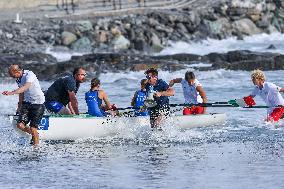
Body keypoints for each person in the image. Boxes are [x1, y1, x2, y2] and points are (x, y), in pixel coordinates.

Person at [2, 65, 45, 146]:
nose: (11, 77)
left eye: (12, 75)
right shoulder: (18, 78)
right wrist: (19, 106)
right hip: (26, 103)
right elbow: (22, 93)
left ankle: (36, 149)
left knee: (33, 128)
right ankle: (35, 135)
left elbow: (26, 87)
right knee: (20, 125)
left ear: (17, 71)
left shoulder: (29, 74)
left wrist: (11, 92)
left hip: (38, 104)